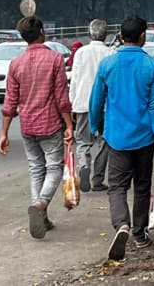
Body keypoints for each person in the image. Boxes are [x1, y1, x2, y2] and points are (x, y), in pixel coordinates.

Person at [89, 15, 154, 260]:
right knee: (142, 186)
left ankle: (121, 225)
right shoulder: (152, 67)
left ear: (121, 36)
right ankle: (139, 234)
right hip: (145, 138)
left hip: (117, 137)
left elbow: (97, 101)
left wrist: (96, 126)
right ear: (143, 37)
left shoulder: (108, 65)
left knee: (116, 187)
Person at [0, 16, 74, 239]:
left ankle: (41, 214)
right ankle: (40, 205)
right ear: (42, 31)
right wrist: (69, 125)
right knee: (54, 168)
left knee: (35, 168)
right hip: (49, 124)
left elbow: (10, 102)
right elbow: (61, 97)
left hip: (27, 125)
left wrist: (3, 133)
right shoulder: (55, 59)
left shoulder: (16, 64)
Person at [69, 19, 112, 193]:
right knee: (104, 141)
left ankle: (84, 165)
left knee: (82, 141)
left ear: (89, 34)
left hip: (83, 102)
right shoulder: (111, 53)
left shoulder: (80, 52)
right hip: (104, 105)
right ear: (106, 34)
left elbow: (75, 79)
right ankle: (98, 179)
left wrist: (73, 103)